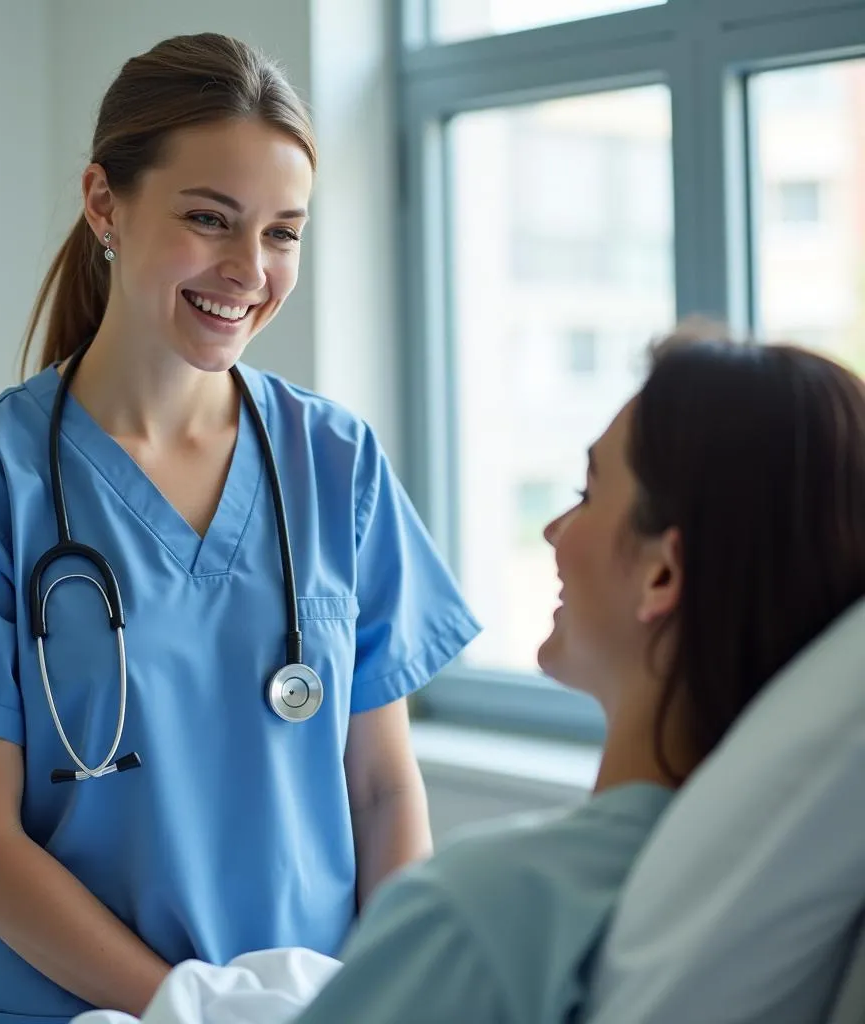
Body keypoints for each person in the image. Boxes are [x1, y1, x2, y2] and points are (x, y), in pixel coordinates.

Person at [0, 33, 480, 1024]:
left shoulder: (334, 464)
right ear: (105, 202)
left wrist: (381, 994)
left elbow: (385, 794)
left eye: (282, 233)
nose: (248, 269)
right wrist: (191, 1007)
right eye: (208, 219)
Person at [284, 325, 865, 1023]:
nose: (556, 531)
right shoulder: (792, 889)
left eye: (586, 493)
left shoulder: (482, 914)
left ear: (662, 573)